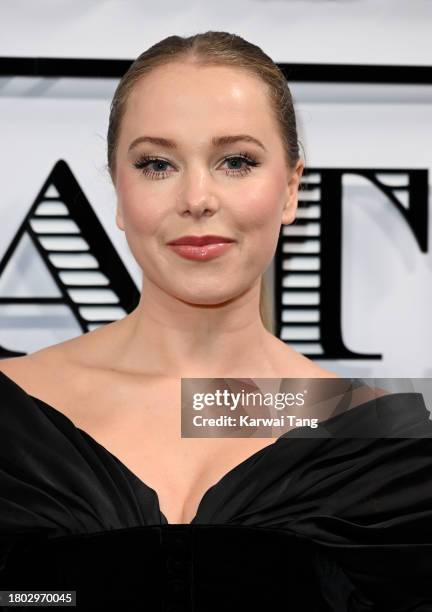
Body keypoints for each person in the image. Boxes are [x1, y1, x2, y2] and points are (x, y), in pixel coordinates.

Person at [1, 31, 431, 611]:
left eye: (237, 161)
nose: (197, 197)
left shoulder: (387, 448)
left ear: (290, 190)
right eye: (157, 164)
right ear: (119, 193)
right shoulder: (13, 415)